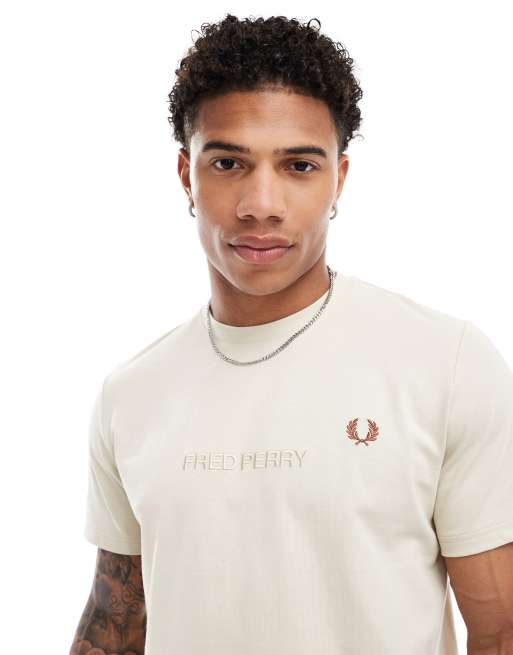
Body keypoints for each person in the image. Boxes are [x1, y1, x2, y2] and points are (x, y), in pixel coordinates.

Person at [69, 13, 513, 655]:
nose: (261, 205)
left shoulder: (447, 364)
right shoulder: (131, 394)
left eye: (299, 165)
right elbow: (114, 623)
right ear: (187, 176)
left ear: (339, 179)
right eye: (228, 162)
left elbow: (500, 630)